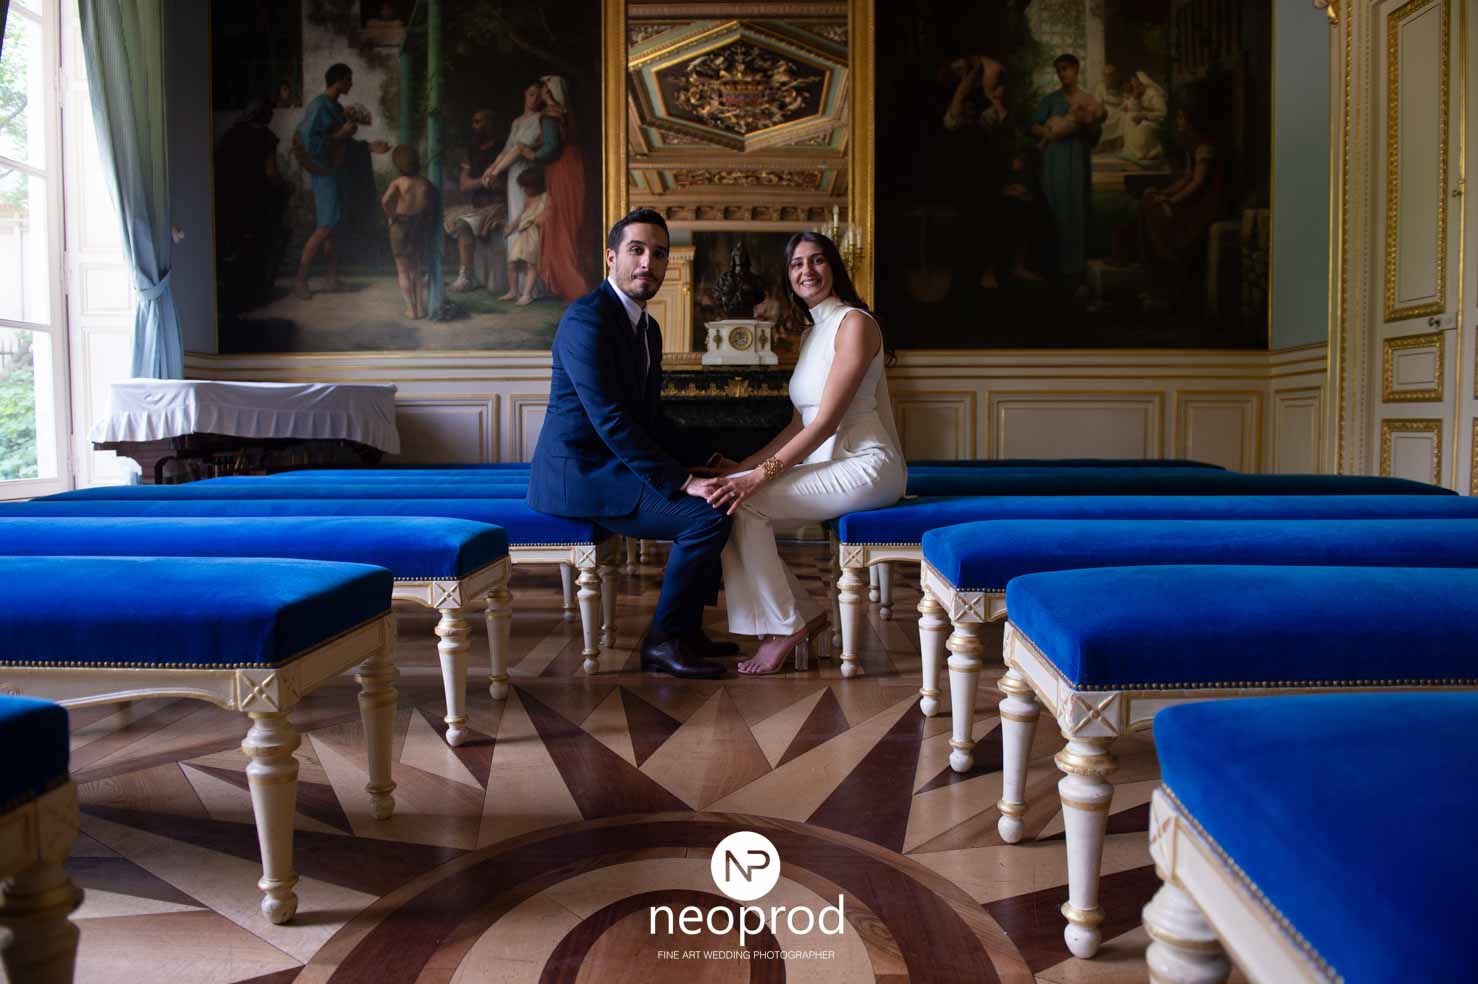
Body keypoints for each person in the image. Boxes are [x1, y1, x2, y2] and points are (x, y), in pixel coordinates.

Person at [527, 208, 741, 679]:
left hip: (613, 466)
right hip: (579, 474)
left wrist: (711, 461)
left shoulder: (648, 328)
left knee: (721, 501)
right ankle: (662, 642)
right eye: (637, 250)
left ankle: (687, 631)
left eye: (659, 254)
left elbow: (650, 419)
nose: (649, 263)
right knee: (705, 518)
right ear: (611, 257)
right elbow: (610, 419)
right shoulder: (586, 319)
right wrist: (682, 482)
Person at [695, 233, 906, 675]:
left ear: (834, 268)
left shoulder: (855, 322)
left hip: (867, 464)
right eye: (796, 264)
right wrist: (743, 468)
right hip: (835, 463)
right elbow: (797, 424)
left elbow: (825, 423)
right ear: (788, 276)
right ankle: (796, 620)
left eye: (817, 260)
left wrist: (756, 478)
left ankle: (788, 626)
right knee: (733, 501)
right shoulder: (812, 332)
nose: (807, 271)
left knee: (745, 502)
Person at [292, 63, 389, 299]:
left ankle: (332, 279)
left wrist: (369, 147)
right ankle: (300, 281)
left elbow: (342, 146)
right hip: (325, 174)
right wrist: (340, 134)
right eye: (348, 79)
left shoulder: (335, 107)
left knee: (333, 228)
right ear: (338, 80)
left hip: (337, 173)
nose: (351, 83)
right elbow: (312, 144)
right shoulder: (319, 106)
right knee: (325, 226)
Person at [1138, 105, 1227, 312]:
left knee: (1162, 219)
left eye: (1181, 118)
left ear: (1191, 122)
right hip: (1192, 201)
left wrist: (1171, 202)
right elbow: (1187, 178)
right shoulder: (1193, 147)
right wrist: (1164, 194)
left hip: (1204, 206)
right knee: (1150, 202)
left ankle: (1165, 290)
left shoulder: (1204, 148)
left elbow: (1197, 183)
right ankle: (1156, 284)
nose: (1178, 122)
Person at [1031, 53, 1105, 289]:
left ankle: (1075, 267)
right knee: (1054, 208)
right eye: (1059, 70)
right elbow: (1034, 125)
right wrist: (1048, 132)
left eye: (1066, 68)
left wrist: (1087, 123)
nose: (1062, 73)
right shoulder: (1050, 100)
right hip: (1054, 163)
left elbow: (1095, 137)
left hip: (1077, 163)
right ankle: (1052, 266)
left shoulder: (1088, 100)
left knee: (1076, 210)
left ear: (1076, 69)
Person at [533, 75, 594, 301]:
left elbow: (551, 149)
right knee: (575, 222)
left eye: (543, 89)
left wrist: (530, 154)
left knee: (562, 224)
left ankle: (574, 286)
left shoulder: (550, 115)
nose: (541, 94)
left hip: (561, 168)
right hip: (577, 166)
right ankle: (580, 282)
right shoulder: (569, 114)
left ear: (549, 91)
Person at [382, 144, 433, 319]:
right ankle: (421, 308)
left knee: (402, 271)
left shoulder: (398, 183)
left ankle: (411, 310)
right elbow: (428, 205)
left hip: (400, 225)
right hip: (417, 225)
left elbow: (385, 201)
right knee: (416, 271)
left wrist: (391, 216)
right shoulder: (424, 183)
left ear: (398, 165)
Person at [501, 168, 547, 305]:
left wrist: (536, 221)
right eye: (524, 187)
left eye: (528, 187)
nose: (525, 190)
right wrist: (510, 228)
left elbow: (545, 216)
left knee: (531, 264)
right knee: (511, 263)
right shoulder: (529, 200)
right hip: (523, 235)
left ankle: (527, 294)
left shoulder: (545, 197)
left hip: (534, 234)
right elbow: (521, 216)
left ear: (537, 185)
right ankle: (513, 291)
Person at [1121, 70, 1168, 162]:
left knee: (1143, 127)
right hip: (1143, 118)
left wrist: (1145, 116)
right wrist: (1135, 98)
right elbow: (1133, 109)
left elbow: (1162, 113)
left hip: (1154, 121)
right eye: (1133, 83)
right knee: (1128, 119)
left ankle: (1146, 151)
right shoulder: (1139, 93)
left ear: (1141, 82)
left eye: (1135, 83)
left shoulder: (1153, 95)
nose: (1133, 85)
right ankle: (1133, 150)